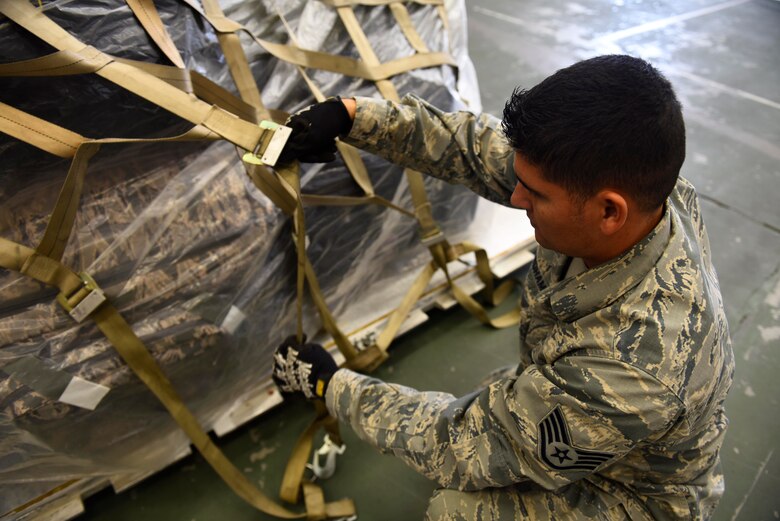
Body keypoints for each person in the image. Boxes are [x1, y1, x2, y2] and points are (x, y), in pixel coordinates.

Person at [271, 55, 734, 520]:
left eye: (535, 194)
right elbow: (473, 147)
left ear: (609, 212)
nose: (515, 197)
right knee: (497, 400)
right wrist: (351, 116)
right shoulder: (637, 184)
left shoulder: (631, 368)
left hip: (632, 496)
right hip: (600, 426)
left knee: (457, 508)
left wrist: (331, 385)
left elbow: (458, 444)